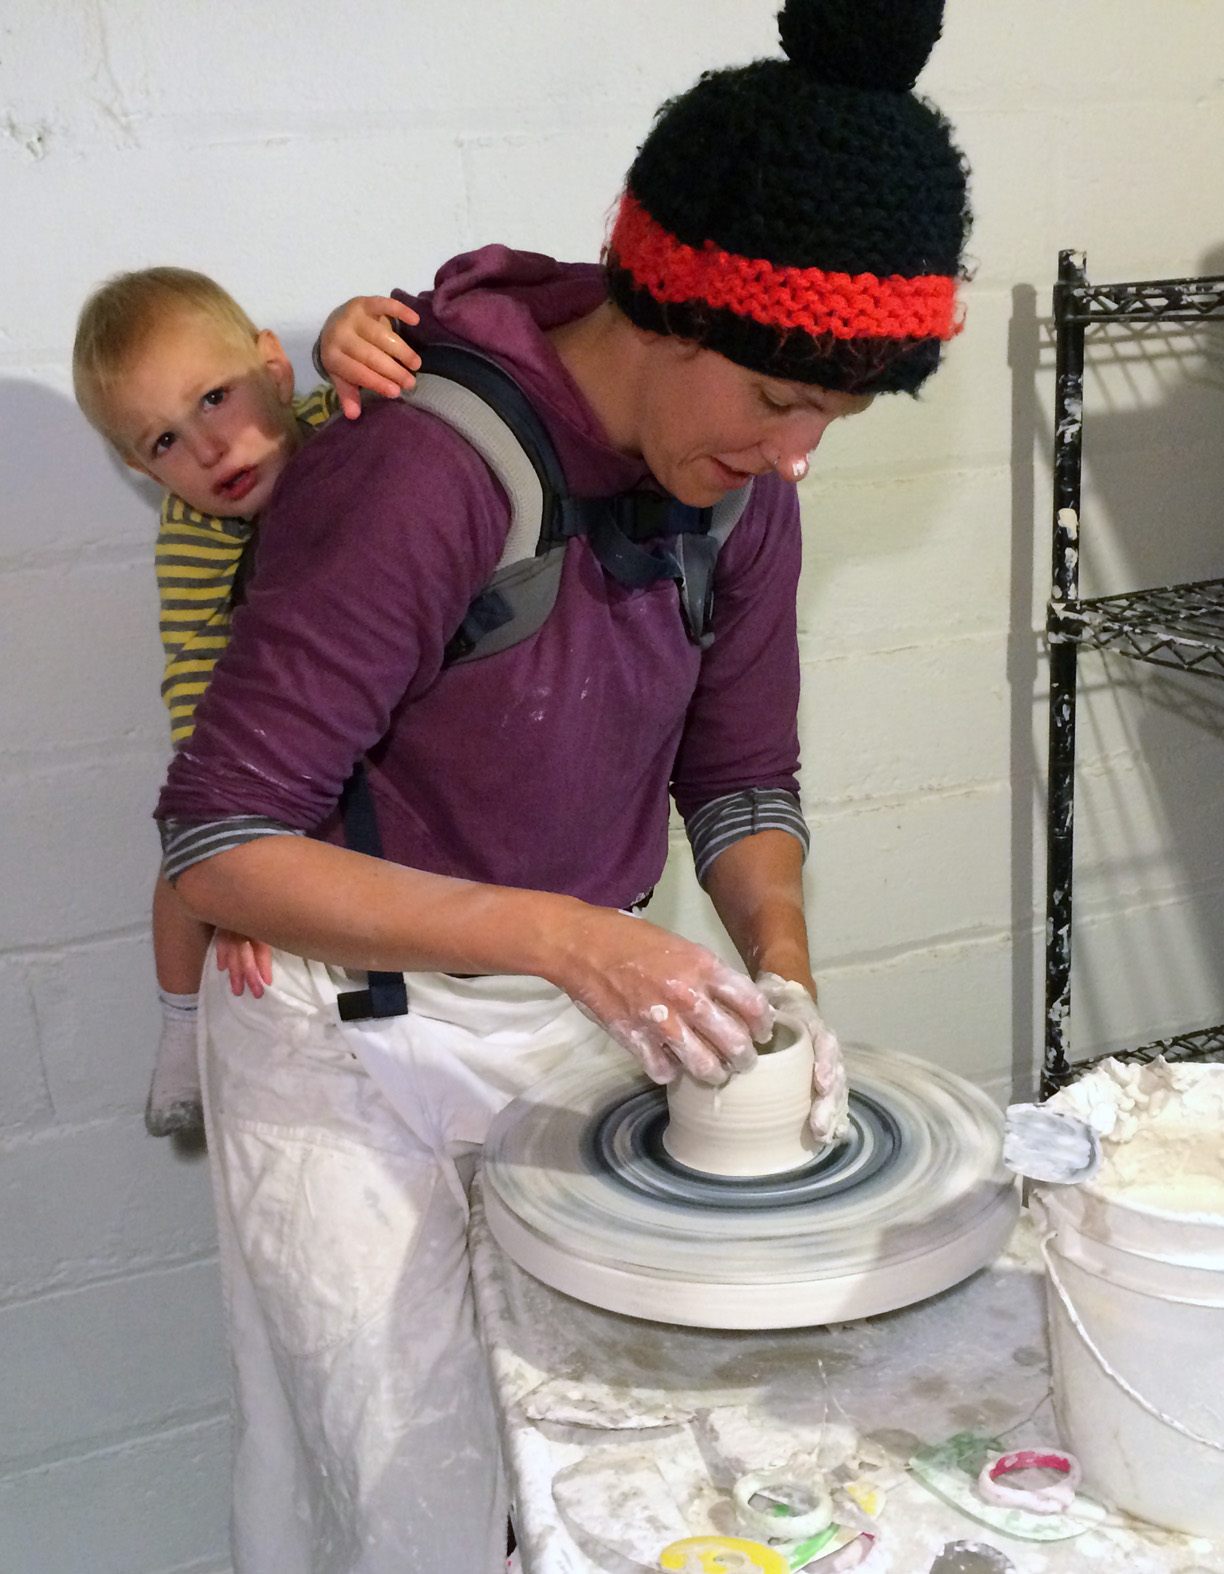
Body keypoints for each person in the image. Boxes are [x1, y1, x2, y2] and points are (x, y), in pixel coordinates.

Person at [155, 1, 970, 1569]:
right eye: (780, 401)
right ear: (665, 318)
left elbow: (741, 776)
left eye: (834, 419)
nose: (799, 455)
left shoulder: (739, 495)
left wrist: (781, 974)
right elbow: (220, 843)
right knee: (404, 1511)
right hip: (345, 1042)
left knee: (572, 1482)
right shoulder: (424, 468)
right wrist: (579, 937)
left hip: (552, 1013)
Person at [71, 268, 420, 1136]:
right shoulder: (192, 538)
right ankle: (180, 1029)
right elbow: (195, 681)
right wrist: (239, 858)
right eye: (163, 442)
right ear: (137, 467)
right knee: (184, 850)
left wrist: (348, 327)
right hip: (260, 734)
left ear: (275, 368)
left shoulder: (340, 427)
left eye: (216, 398)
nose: (207, 449)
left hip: (367, 719)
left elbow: (404, 360)